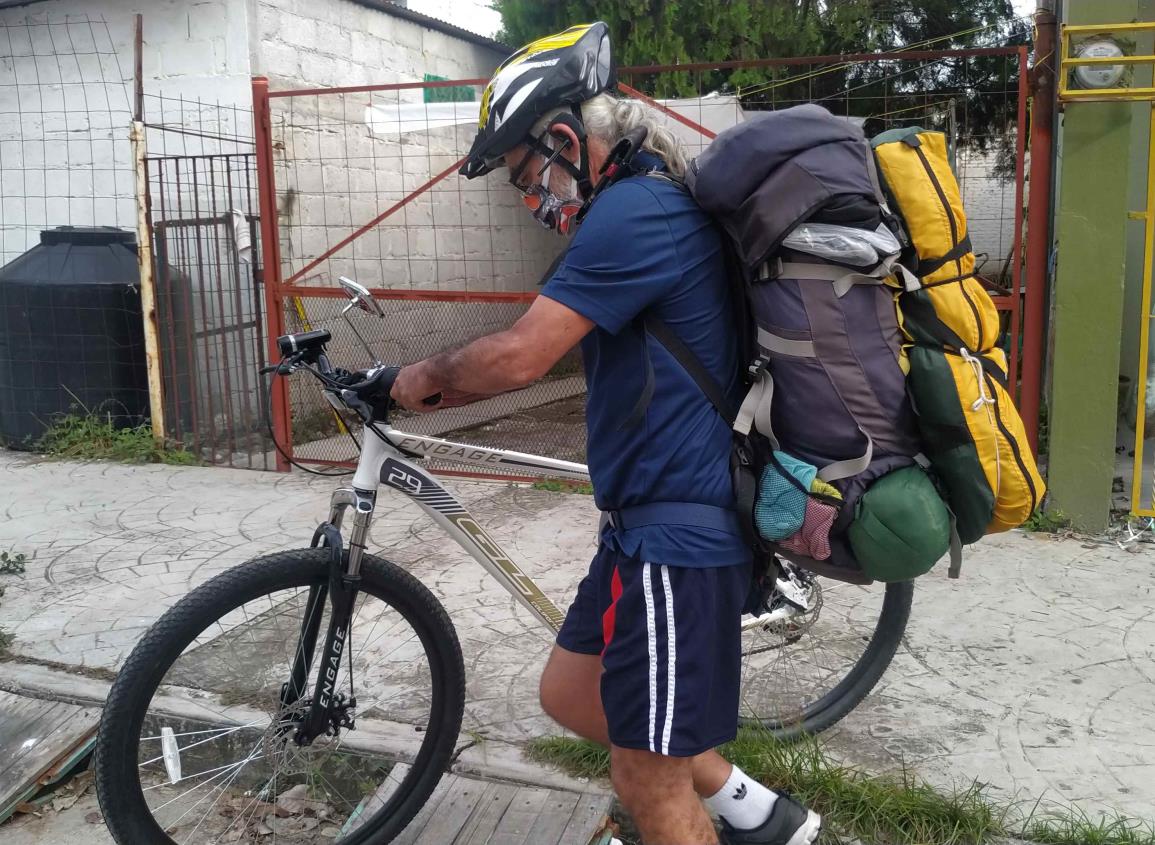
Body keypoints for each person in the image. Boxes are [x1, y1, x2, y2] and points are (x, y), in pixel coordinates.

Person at [391, 22, 821, 845]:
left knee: (645, 779)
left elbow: (520, 356)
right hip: (637, 530)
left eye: (524, 178)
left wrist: (415, 376)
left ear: (563, 139)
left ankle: (709, 821)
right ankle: (760, 818)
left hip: (676, 538)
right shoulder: (639, 207)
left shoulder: (635, 213)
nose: (530, 200)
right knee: (570, 694)